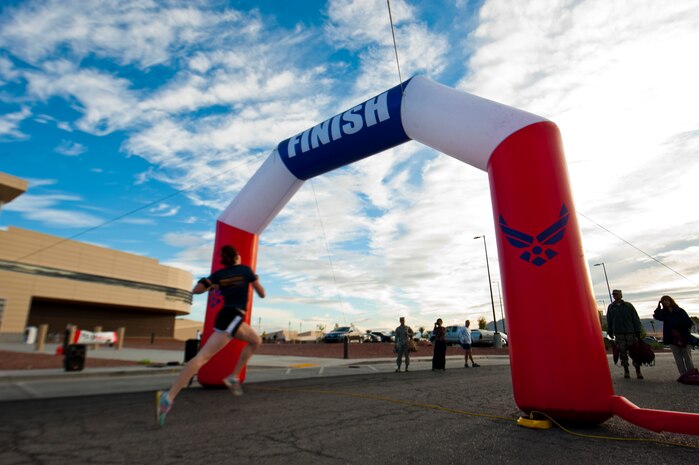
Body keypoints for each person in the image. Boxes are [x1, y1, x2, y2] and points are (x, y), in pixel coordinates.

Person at [156, 245, 265, 427]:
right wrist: (255, 281)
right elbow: (262, 294)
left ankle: (233, 376)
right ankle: (169, 396)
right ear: (237, 256)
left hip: (227, 316)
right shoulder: (246, 271)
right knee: (202, 358)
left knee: (255, 340)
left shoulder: (219, 274)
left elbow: (197, 289)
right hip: (233, 317)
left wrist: (210, 285)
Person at [653, 295, 695, 376]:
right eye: (663, 300)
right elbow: (656, 316)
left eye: (666, 300)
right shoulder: (664, 313)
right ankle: (683, 374)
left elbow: (688, 322)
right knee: (678, 357)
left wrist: (680, 328)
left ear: (670, 300)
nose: (665, 302)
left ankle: (691, 373)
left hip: (683, 336)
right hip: (671, 337)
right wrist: (658, 305)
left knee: (687, 356)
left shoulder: (680, 310)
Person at [606, 289, 643, 379]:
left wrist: (638, 331)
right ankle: (626, 371)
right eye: (614, 295)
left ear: (621, 295)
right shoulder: (611, 307)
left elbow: (635, 318)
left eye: (617, 294)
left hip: (630, 332)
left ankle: (638, 371)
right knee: (622, 353)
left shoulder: (628, 306)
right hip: (618, 333)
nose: (615, 296)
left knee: (634, 352)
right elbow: (609, 320)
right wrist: (610, 331)